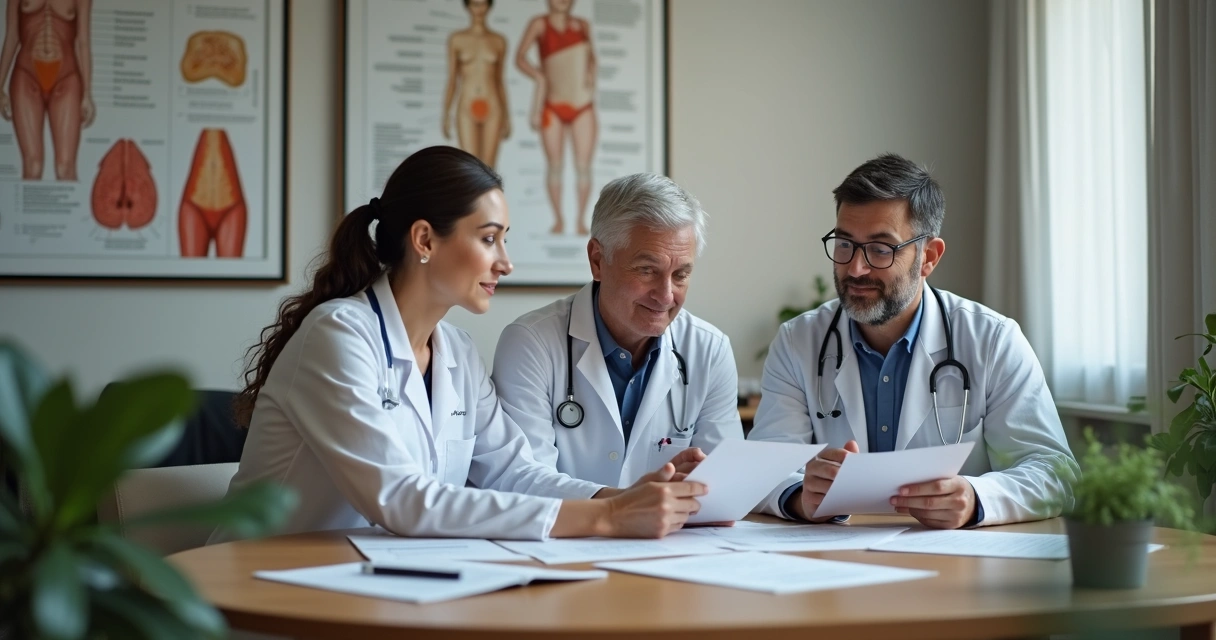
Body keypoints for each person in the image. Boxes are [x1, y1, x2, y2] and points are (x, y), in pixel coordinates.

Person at [209, 147, 707, 544]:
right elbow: (400, 498)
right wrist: (606, 518)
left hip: (375, 585)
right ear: (425, 240)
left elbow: (514, 472)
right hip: (266, 588)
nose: (505, 263)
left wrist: (615, 497)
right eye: (489, 239)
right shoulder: (338, 335)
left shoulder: (457, 353)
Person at [749, 154, 1077, 529]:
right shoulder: (799, 341)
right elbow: (763, 467)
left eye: (880, 249)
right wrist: (799, 496)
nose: (856, 268)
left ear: (928, 257)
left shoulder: (993, 340)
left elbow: (1056, 473)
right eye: (844, 244)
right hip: (834, 564)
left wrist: (976, 499)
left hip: (953, 569)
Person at [493, 173, 743, 489]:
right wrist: (624, 506)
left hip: (676, 537)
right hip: (566, 538)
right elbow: (523, 481)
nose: (666, 296)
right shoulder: (531, 343)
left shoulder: (709, 350)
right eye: (647, 271)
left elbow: (724, 480)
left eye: (680, 275)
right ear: (598, 260)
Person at [515, 0, 596, 235]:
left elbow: (592, 59)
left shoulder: (582, 25)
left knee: (583, 166)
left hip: (583, 105)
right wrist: (539, 78)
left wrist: (590, 79)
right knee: (555, 165)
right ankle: (559, 219)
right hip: (552, 104)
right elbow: (520, 57)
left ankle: (581, 220)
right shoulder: (539, 24)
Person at [0, 0, 95, 181]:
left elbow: (82, 41)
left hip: (66, 78)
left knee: (65, 168)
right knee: (32, 166)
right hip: (26, 75)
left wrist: (87, 93)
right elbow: (12, 36)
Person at [442, 0, 509, 169]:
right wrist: (446, 113)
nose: (478, 9)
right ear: (467, 6)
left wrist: (507, 117)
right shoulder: (457, 39)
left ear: (489, 6)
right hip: (466, 104)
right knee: (469, 169)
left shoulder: (498, 41)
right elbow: (452, 80)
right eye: (474, 4)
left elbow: (500, 81)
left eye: (482, 4)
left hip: (492, 105)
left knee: (489, 170)